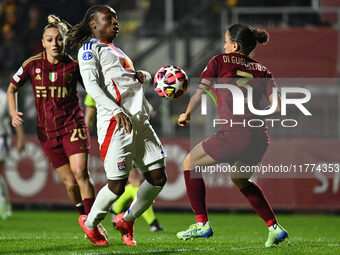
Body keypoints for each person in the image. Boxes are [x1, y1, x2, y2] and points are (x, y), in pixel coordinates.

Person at [176, 24, 288, 248]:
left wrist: (186, 114)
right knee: (240, 178)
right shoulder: (263, 70)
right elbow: (278, 108)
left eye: (226, 41)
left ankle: (202, 224)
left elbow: (201, 92)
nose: (224, 45)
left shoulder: (219, 61)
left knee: (190, 164)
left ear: (234, 45)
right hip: (259, 137)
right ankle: (274, 228)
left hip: (234, 133)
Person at [68, 5, 167, 246]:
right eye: (109, 18)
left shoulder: (116, 49)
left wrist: (141, 75)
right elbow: (91, 86)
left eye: (116, 17)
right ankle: (90, 224)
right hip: (116, 123)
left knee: (157, 177)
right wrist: (114, 110)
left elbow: (124, 81)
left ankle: (128, 219)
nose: (115, 21)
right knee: (117, 185)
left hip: (139, 121)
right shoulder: (89, 49)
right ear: (94, 24)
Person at [7, 15, 106, 234]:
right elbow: (12, 88)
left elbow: (94, 91)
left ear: (64, 41)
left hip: (73, 126)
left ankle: (93, 224)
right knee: (71, 184)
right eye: (49, 40)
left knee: (81, 172)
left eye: (58, 39)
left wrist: (96, 113)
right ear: (43, 43)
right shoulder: (31, 65)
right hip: (47, 133)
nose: (54, 43)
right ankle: (84, 215)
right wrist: (14, 113)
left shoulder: (74, 67)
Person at [84, 94, 164, 232]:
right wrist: (84, 143)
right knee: (132, 183)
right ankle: (149, 222)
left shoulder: (123, 79)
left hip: (135, 133)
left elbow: (139, 100)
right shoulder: (95, 88)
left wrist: (147, 109)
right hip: (116, 139)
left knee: (139, 182)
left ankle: (118, 210)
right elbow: (89, 118)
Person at [0, 89, 24, 220]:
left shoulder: (3, 98)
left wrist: (20, 137)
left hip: (1, 138)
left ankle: (4, 206)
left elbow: (13, 116)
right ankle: (4, 204)